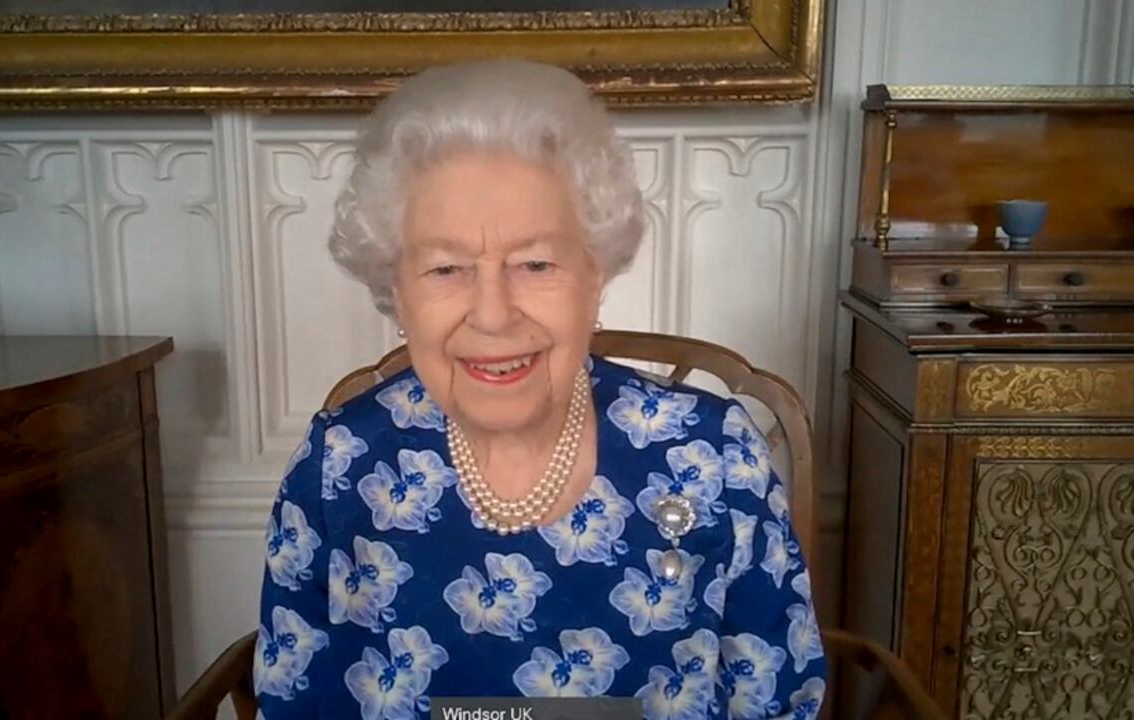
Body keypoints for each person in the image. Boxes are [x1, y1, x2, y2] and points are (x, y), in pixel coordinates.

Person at [254, 59, 825, 720]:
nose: (493, 314)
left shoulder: (714, 461)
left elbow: (782, 703)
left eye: (535, 263)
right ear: (396, 291)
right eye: (445, 268)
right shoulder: (338, 469)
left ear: (595, 274)